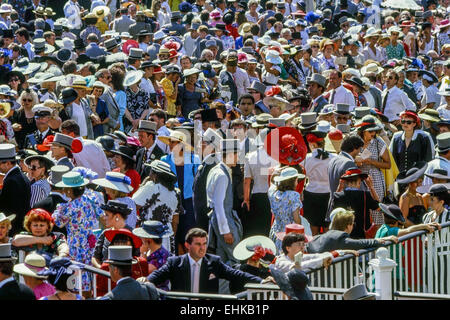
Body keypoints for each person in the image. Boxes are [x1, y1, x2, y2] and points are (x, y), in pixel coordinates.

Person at [143, 228, 264, 293]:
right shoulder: (174, 263)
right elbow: (156, 276)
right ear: (187, 245)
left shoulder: (214, 262)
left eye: (204, 244)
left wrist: (262, 282)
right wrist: (145, 281)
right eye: (198, 244)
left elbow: (236, 274)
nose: (202, 248)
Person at [52, 171, 104, 294]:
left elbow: (58, 222)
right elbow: (102, 216)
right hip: (91, 242)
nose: (63, 191)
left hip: (76, 245)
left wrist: (58, 209)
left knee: (76, 279)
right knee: (89, 275)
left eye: (65, 188)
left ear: (70, 190)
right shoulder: (91, 199)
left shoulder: (70, 207)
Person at [159, 130, 200, 254]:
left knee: (188, 233)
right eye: (170, 142)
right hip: (171, 201)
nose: (170, 145)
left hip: (188, 202)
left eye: (174, 142)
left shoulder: (194, 159)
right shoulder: (164, 159)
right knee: (174, 233)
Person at [133, 160, 180, 253]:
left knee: (150, 263)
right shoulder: (176, 192)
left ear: (155, 174)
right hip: (167, 233)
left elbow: (133, 204)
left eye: (150, 171)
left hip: (150, 233)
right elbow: (175, 221)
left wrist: (142, 185)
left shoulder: (152, 186)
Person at [306, 208, 398, 254]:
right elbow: (359, 243)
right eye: (352, 224)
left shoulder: (324, 236)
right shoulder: (339, 237)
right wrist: (379, 240)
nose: (353, 226)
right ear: (348, 225)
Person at [303, 121, 336, 235]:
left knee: (313, 227)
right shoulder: (333, 157)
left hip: (311, 193)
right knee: (327, 226)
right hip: (327, 193)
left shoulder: (306, 158)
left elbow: (304, 175)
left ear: (312, 144)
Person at [95, 228, 149, 297]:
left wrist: (145, 281)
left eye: (124, 240)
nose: (120, 243)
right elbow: (99, 292)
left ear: (132, 243)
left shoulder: (141, 263)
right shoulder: (106, 266)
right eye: (117, 240)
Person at [333, 168, 381, 239]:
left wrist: (340, 187)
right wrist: (371, 187)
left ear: (346, 182)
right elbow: (379, 207)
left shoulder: (338, 196)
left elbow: (333, 206)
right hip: (362, 236)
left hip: (344, 236)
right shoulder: (365, 195)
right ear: (359, 182)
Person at [269, 167, 306, 253]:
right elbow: (296, 218)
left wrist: (275, 174)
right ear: (293, 181)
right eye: (297, 180)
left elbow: (272, 183)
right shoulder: (294, 195)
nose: (297, 182)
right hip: (289, 232)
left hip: (276, 230)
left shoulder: (272, 193)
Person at [92, 200, 136, 268]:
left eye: (107, 215)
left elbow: (137, 258)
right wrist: (102, 269)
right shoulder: (105, 233)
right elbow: (95, 257)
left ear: (117, 217)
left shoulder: (132, 234)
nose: (104, 217)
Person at [0, 144, 31, 236]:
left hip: (13, 228)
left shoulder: (12, 180)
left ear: (8, 163)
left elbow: (10, 208)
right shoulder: (20, 176)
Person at [133, 220, 172, 290]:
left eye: (142, 237)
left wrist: (143, 254)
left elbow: (145, 273)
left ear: (148, 240)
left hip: (156, 293)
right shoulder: (150, 251)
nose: (141, 239)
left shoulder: (161, 255)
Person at [397, 161, 429, 226]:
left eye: (420, 181)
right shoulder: (405, 197)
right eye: (415, 182)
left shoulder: (419, 196)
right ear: (410, 183)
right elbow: (403, 219)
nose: (419, 184)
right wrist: (416, 228)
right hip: (412, 233)